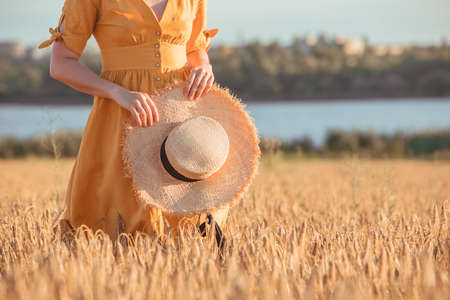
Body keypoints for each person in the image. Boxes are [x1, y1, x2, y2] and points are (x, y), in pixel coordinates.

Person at [38, 0, 225, 240]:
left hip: (180, 123)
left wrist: (204, 68)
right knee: (115, 233)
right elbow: (61, 64)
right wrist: (117, 92)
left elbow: (195, 51)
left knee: (193, 233)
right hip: (121, 120)